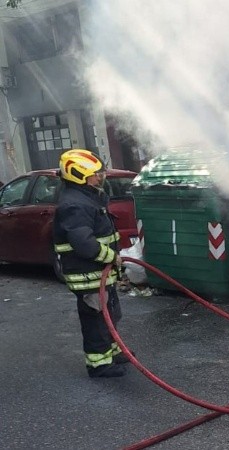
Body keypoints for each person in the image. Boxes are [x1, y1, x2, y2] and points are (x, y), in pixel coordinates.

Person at [53, 149, 127, 378]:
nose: (101, 177)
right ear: (78, 175)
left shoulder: (87, 197)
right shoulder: (74, 205)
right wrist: (111, 257)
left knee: (110, 312)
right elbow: (84, 243)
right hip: (88, 274)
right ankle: (99, 364)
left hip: (100, 272)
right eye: (96, 174)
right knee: (96, 317)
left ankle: (112, 352)